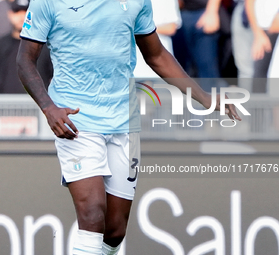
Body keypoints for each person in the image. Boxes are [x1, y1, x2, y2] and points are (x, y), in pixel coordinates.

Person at [16, 0, 241, 254]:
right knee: (92, 213)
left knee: (114, 231)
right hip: (75, 119)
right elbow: (25, 59)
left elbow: (156, 55)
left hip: (124, 119)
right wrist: (48, 107)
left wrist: (206, 99)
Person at [0, 0, 52, 94]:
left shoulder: (43, 44)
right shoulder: (2, 44)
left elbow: (53, 78)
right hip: (5, 106)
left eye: (26, 11)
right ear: (10, 14)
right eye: (17, 11)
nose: (21, 16)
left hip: (36, 106)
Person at [245, 0, 279, 93]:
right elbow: (249, 2)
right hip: (264, 30)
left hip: (271, 29)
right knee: (259, 78)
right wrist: (258, 34)